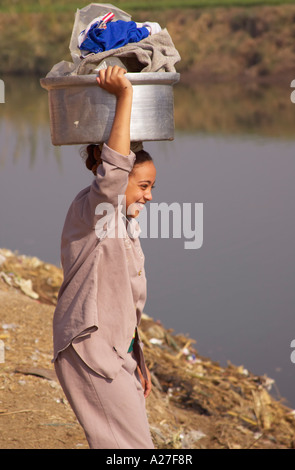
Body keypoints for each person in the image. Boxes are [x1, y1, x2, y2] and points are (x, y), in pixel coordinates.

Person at [53, 65, 156, 449]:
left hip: (115, 351)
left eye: (152, 187)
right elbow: (114, 168)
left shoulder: (126, 225)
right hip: (89, 348)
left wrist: (137, 360)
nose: (149, 196)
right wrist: (124, 94)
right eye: (143, 186)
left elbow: (123, 300)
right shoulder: (96, 210)